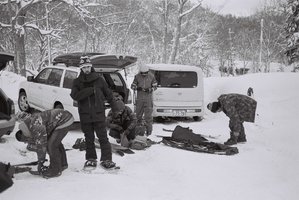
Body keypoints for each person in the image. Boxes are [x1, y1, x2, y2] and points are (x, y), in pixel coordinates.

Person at [70, 56, 116, 169]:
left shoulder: (99, 80)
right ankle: (91, 159)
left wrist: (115, 108)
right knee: (89, 138)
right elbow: (75, 96)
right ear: (81, 69)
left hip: (99, 114)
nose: (86, 69)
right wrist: (90, 90)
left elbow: (108, 94)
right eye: (84, 67)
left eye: (88, 67)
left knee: (103, 138)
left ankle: (107, 159)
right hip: (85, 115)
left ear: (91, 67)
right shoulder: (77, 82)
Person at [15, 109, 74, 178]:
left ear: (25, 135)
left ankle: (55, 170)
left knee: (51, 145)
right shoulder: (29, 124)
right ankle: (62, 164)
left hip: (64, 120)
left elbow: (42, 147)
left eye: (25, 140)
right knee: (55, 142)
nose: (26, 142)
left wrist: (40, 163)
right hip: (62, 117)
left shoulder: (36, 128)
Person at [131, 63, 157, 136]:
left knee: (148, 117)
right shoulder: (137, 77)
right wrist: (136, 87)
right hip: (139, 99)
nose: (144, 75)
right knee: (138, 116)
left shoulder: (152, 76)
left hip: (148, 99)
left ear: (148, 71)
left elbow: (155, 86)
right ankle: (138, 131)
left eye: (145, 73)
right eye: (143, 73)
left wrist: (150, 89)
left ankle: (149, 132)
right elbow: (132, 86)